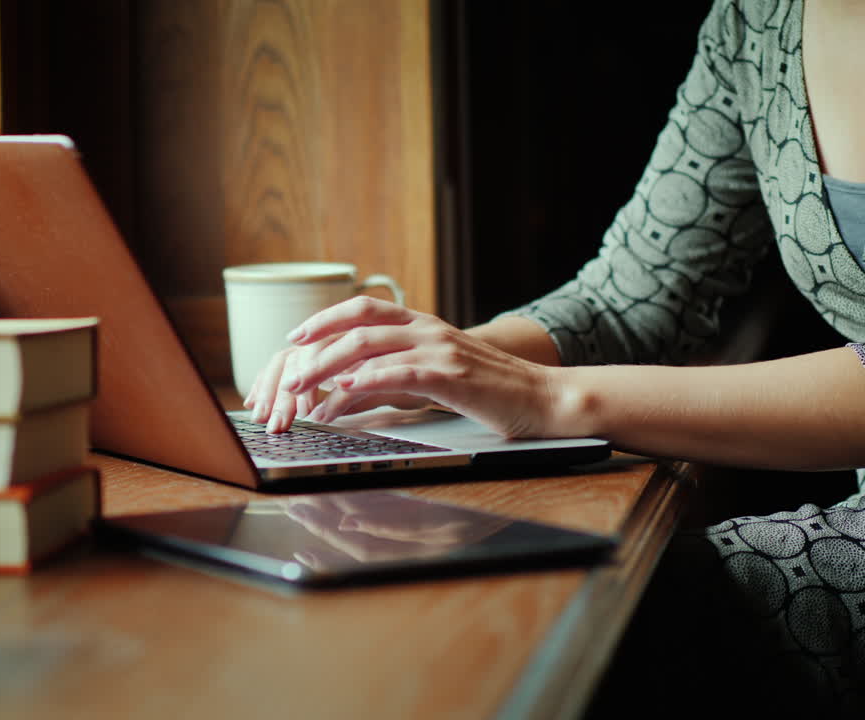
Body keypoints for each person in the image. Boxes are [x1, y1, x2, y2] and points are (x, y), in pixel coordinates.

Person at [245, 0, 865, 714]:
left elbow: (559, 384)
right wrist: (428, 365)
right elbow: (636, 294)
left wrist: (550, 399)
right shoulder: (756, 22)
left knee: (564, 629)